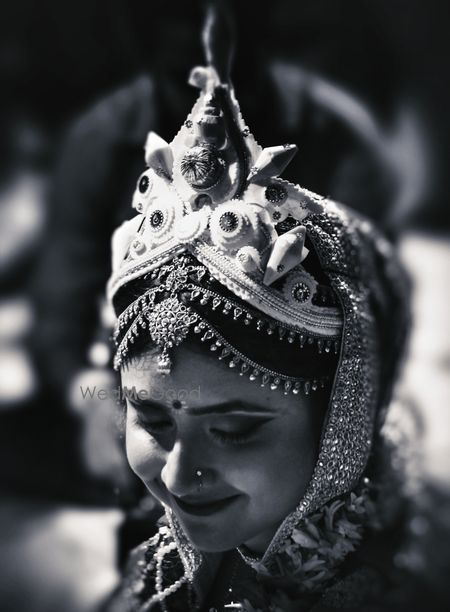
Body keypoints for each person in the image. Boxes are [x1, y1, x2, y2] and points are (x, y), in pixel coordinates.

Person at [101, 9, 430, 612]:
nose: (176, 479)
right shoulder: (161, 568)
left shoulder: (408, 584)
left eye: (233, 430)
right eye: (151, 418)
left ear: (343, 416)